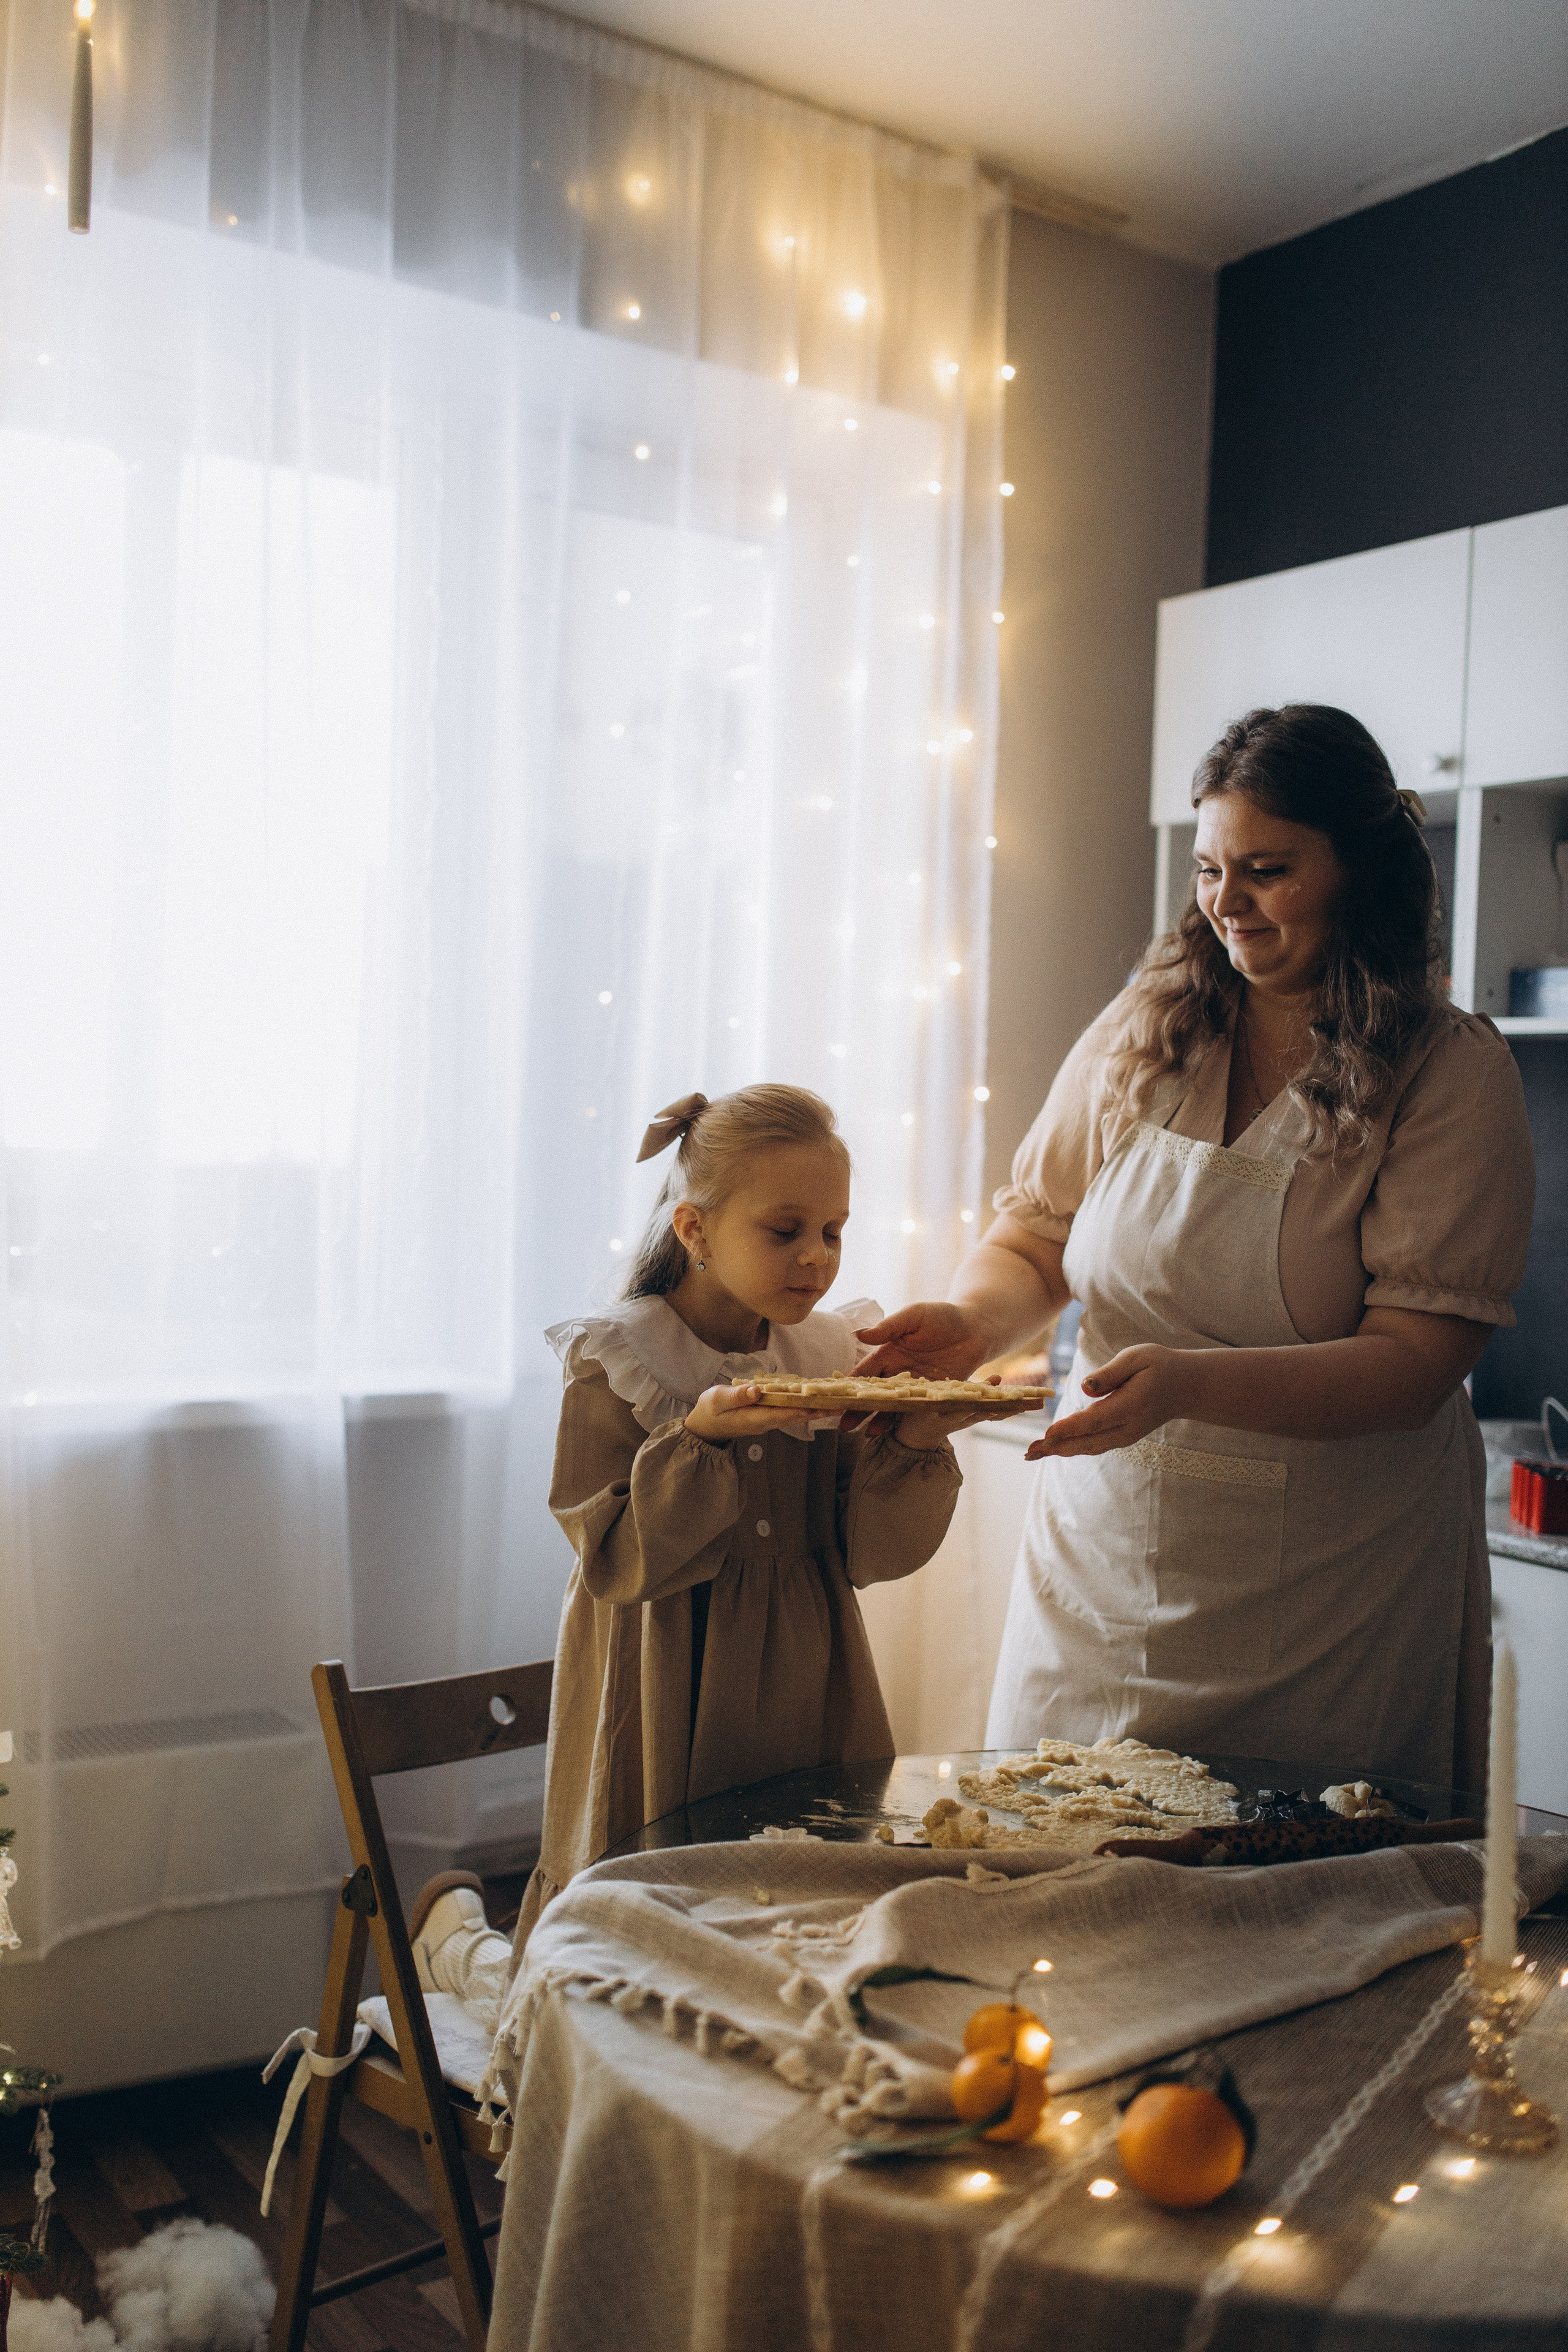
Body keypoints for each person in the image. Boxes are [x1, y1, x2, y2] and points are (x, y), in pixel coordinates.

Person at [859, 704, 1535, 1793]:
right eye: (1213, 869)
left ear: (1359, 870)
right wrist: (971, 1323)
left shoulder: (1449, 1074)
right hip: (1102, 1559)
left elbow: (1415, 1366)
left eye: (1266, 869)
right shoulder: (1149, 1028)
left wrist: (1188, 1384)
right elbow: (1034, 1235)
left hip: (1333, 1600)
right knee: (1053, 1869)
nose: (1227, 903)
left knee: (1290, 1900)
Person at [407, 1082, 984, 2000]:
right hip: (662, 1672)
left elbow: (867, 1551)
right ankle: (460, 1948)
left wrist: (915, 1436)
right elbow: (614, 1559)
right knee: (630, 1953)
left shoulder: (827, 1356)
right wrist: (701, 1443)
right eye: (785, 1230)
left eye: (834, 1232)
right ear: (695, 1228)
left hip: (807, 1672)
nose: (816, 1260)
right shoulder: (623, 1359)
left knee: (796, 1917)